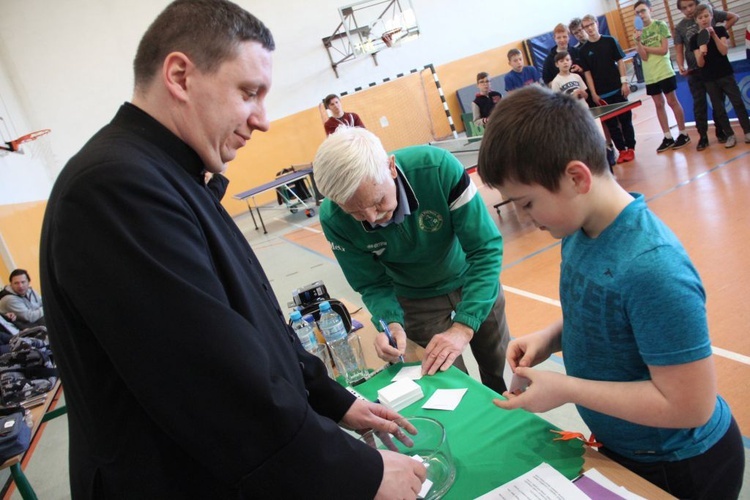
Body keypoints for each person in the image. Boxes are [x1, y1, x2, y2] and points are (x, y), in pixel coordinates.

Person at [39, 1, 426, 498]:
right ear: (180, 75)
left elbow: (251, 323)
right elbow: (210, 381)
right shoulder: (115, 187)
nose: (262, 120)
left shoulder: (170, 175)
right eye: (249, 93)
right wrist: (359, 470)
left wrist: (332, 399)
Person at [477, 86, 745, 499]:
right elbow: (602, 312)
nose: (525, 218)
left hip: (681, 465)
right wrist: (550, 337)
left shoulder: (652, 267)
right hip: (625, 448)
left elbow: (691, 405)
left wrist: (567, 388)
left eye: (527, 203)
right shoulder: (578, 229)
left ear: (576, 177)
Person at [313, 127, 510, 395]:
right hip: (415, 299)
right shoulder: (334, 218)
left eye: (378, 201)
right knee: (448, 382)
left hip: (473, 278)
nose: (372, 218)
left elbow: (485, 248)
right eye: (356, 213)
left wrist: (464, 326)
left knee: (495, 362)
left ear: (391, 167)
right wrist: (390, 322)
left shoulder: (438, 169)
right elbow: (371, 283)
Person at [674, 0, 739, 151]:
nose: (689, 10)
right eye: (684, 8)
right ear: (680, 10)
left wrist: (719, 32)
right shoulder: (679, 27)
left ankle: (721, 131)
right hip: (695, 71)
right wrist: (680, 64)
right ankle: (703, 136)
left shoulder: (710, 13)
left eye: (691, 5)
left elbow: (734, 17)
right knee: (699, 104)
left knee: (718, 102)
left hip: (712, 69)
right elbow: (678, 50)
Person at [633, 0, 691, 153]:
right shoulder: (637, 34)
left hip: (664, 71)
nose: (641, 14)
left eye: (643, 10)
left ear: (650, 10)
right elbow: (644, 58)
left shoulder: (660, 25)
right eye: (638, 12)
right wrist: (638, 42)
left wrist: (643, 46)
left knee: (672, 101)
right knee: (659, 105)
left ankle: (683, 133)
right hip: (650, 75)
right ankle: (667, 137)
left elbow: (663, 50)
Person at [580, 14, 637, 164]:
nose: (589, 28)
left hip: (618, 89)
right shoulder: (584, 50)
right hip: (602, 94)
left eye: (591, 24)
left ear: (597, 24)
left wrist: (624, 83)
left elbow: (620, 61)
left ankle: (631, 148)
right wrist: (593, 93)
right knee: (612, 125)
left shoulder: (609, 41)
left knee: (626, 121)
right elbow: (588, 73)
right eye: (586, 26)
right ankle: (622, 150)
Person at [692, 4, 750, 149]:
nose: (704, 19)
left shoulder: (720, 30)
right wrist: (702, 51)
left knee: (737, 102)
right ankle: (729, 135)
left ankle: (748, 131)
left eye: (706, 16)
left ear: (711, 16)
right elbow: (699, 64)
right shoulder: (695, 39)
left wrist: (713, 36)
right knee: (719, 108)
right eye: (700, 17)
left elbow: (724, 51)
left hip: (725, 74)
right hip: (709, 79)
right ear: (696, 20)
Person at [570, 18, 618, 168]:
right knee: (601, 121)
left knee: (616, 116)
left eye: (580, 30)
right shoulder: (575, 51)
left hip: (605, 87)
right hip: (587, 92)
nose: (579, 34)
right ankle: (608, 147)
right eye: (575, 33)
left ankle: (622, 147)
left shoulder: (601, 42)